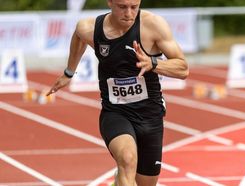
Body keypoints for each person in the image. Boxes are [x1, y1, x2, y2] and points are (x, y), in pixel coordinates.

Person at [46, 0, 189, 185]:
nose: (129, 13)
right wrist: (69, 72)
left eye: (134, 7)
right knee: (127, 158)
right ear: (110, 3)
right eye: (122, 7)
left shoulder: (153, 26)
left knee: (145, 182)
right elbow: (78, 37)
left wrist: (153, 64)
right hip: (115, 112)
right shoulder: (90, 28)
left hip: (150, 115)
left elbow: (183, 69)